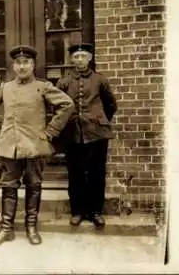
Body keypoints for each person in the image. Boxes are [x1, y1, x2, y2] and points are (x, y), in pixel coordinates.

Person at [0, 45, 75, 246]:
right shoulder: (6, 87)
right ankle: (6, 229)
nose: (21, 66)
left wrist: (51, 131)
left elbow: (67, 104)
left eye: (26, 62)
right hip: (10, 146)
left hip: (34, 146)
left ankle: (31, 227)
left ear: (33, 64)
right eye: (18, 63)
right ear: (13, 66)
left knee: (34, 186)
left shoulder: (43, 86)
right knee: (8, 186)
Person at [56, 43, 118, 228]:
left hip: (97, 134)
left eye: (83, 56)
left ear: (90, 58)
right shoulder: (64, 82)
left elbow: (111, 105)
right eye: (76, 56)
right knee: (75, 174)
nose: (80, 60)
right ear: (71, 59)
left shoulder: (100, 80)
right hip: (72, 134)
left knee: (96, 173)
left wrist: (98, 120)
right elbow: (58, 107)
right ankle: (77, 211)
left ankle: (96, 212)